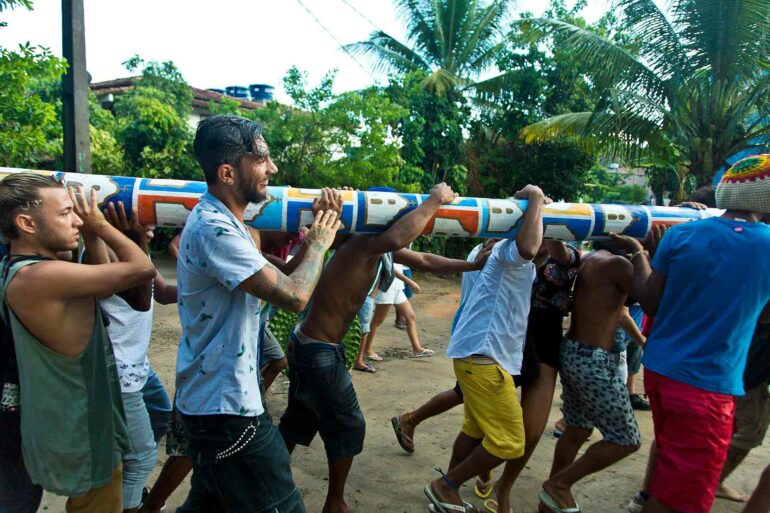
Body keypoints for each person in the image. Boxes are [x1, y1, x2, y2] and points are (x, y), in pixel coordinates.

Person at [280, 183, 490, 513]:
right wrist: (435, 199)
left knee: (298, 419)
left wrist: (472, 266)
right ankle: (334, 504)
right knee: (349, 426)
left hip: (312, 347)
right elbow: (398, 238)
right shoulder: (368, 241)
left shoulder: (371, 245)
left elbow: (423, 258)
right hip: (318, 351)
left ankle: (268, 483)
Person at [175, 114, 341, 513]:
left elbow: (283, 274)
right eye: (262, 159)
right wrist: (319, 243)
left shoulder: (226, 223)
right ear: (229, 172)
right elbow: (296, 294)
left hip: (214, 402)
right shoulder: (216, 229)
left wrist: (314, 230)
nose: (273, 168)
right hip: (226, 408)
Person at [611, 154, 770, 513]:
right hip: (707, 386)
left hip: (661, 374)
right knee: (682, 499)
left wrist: (639, 253)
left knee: (668, 474)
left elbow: (649, 302)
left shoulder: (681, 233)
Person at [0, 173, 156, 512]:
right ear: (27, 223)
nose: (78, 218)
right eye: (66, 213)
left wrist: (90, 233)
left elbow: (105, 288)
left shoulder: (40, 267)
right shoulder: (38, 277)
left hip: (82, 426)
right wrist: (99, 226)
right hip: (80, 433)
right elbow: (142, 269)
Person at [423, 184, 547, 513]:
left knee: (474, 432)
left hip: (480, 357)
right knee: (510, 442)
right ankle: (445, 485)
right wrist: (535, 198)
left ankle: (447, 490)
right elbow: (530, 246)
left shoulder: (502, 252)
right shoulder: (509, 250)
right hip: (484, 359)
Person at [536, 231, 666, 513]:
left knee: (577, 428)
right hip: (594, 359)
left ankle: (551, 498)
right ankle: (558, 486)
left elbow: (620, 309)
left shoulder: (592, 258)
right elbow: (651, 294)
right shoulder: (619, 265)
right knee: (626, 439)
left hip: (576, 352)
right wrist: (643, 252)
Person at [83, 201, 177, 513]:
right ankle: (132, 505)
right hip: (120, 373)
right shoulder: (107, 253)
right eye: (140, 216)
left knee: (162, 413)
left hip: (138, 365)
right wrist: (132, 240)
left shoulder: (135, 252)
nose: (149, 223)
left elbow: (160, 293)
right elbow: (139, 296)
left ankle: (125, 483)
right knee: (143, 456)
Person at [367, 262, 434, 358]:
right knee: (377, 321)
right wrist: (409, 281)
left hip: (398, 286)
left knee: (410, 316)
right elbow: (390, 267)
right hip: (387, 287)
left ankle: (417, 349)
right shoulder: (388, 248)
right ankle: (367, 349)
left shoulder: (398, 249)